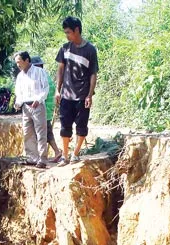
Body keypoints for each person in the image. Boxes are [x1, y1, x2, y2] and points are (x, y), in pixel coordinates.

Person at [54, 16, 98, 166]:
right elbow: (60, 70)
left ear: (77, 30)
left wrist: (90, 95)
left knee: (81, 126)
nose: (67, 35)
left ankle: (75, 154)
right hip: (66, 95)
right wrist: (57, 90)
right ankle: (64, 156)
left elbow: (93, 74)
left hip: (82, 95)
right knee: (65, 126)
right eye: (65, 33)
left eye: (68, 32)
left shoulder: (90, 50)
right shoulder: (65, 48)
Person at [13, 51, 49, 168]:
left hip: (37, 106)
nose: (18, 65)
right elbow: (19, 93)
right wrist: (18, 103)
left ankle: (42, 159)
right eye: (16, 63)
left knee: (41, 133)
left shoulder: (39, 72)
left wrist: (38, 99)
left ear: (27, 60)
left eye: (19, 62)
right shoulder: (20, 76)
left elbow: (45, 88)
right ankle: (32, 158)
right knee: (27, 133)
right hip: (26, 107)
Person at [31, 56, 63, 163]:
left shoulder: (38, 77)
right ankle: (49, 153)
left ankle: (55, 152)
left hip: (43, 109)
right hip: (48, 109)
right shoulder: (45, 75)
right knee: (46, 132)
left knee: (45, 133)